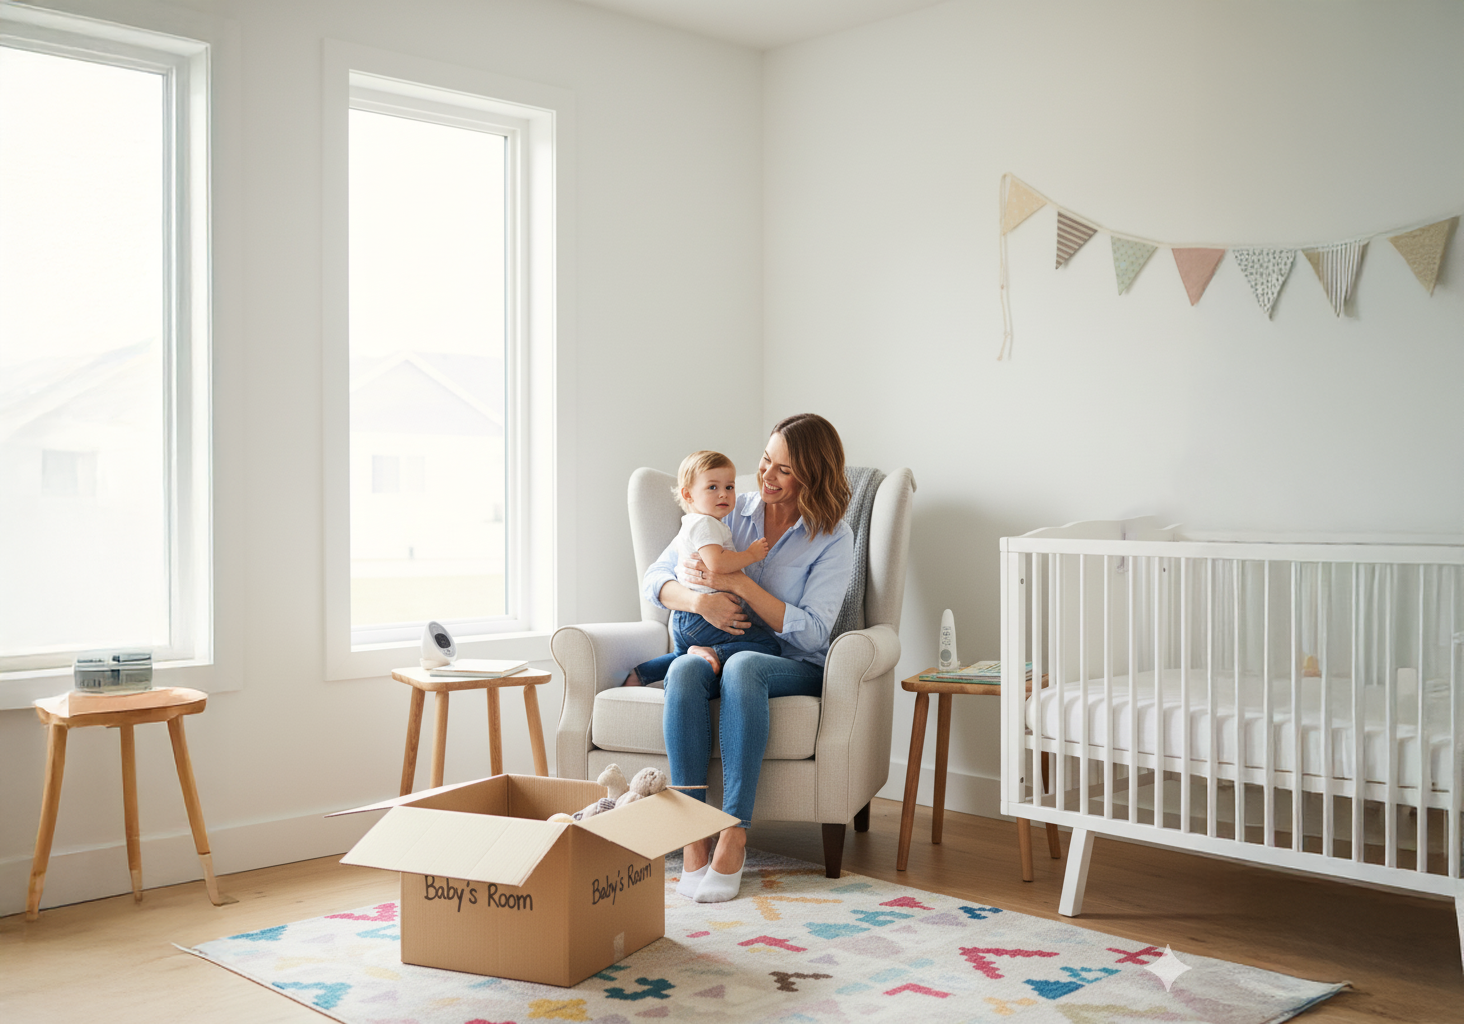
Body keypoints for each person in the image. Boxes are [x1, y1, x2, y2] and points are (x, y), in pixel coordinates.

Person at [643, 413, 853, 903]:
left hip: (790, 661)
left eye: (783, 469)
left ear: (812, 475)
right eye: (765, 460)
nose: (766, 476)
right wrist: (698, 602)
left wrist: (738, 583)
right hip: (714, 642)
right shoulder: (725, 510)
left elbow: (815, 630)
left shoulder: (833, 538)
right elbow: (656, 579)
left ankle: (734, 830)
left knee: (743, 666)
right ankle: (692, 832)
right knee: (686, 667)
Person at [623, 450, 780, 686]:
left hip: (684, 620)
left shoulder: (693, 523)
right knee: (769, 645)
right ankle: (713, 652)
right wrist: (750, 555)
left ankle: (639, 675)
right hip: (702, 620)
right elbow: (716, 563)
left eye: (729, 487)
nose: (723, 495)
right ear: (688, 494)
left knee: (679, 656)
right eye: (712, 488)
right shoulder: (706, 524)